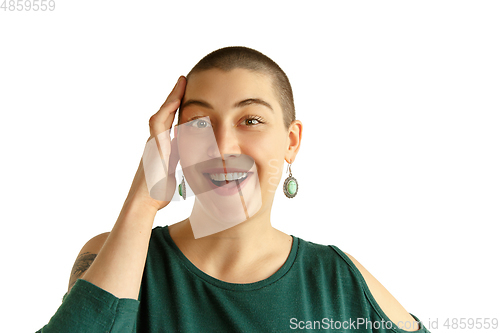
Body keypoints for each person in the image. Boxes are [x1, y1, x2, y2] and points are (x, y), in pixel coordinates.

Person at [37, 46, 430, 332]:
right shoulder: (113, 255)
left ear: (291, 141)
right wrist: (143, 201)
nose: (222, 147)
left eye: (251, 120)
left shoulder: (335, 281)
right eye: (199, 122)